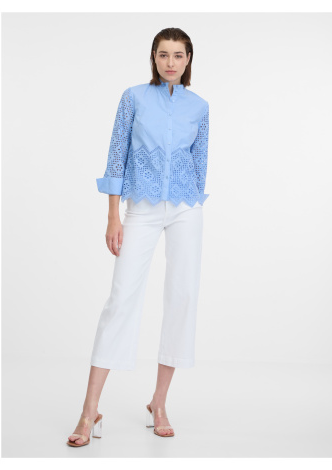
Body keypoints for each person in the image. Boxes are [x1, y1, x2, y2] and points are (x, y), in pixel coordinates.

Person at [67, 27, 210, 447]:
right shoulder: (133, 98)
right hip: (141, 209)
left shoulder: (200, 107)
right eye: (164, 54)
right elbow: (117, 156)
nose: (171, 62)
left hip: (186, 208)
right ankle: (89, 410)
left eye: (178, 55)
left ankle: (159, 403)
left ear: (188, 59)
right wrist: (113, 216)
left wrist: (192, 199)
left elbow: (200, 161)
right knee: (121, 298)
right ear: (153, 57)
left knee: (182, 295)